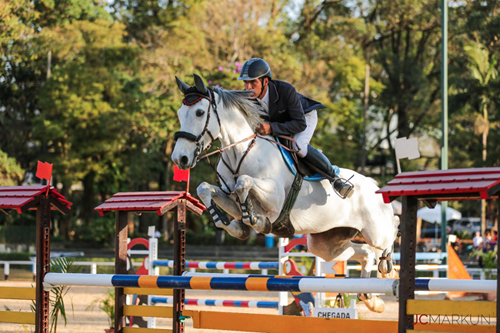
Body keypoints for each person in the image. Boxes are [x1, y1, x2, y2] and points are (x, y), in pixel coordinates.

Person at [238, 58, 354, 198]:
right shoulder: (248, 98)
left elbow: (299, 124)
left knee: (299, 146)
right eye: (246, 82)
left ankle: (335, 179)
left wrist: (272, 128)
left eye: (253, 82)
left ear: (265, 82)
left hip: (304, 117)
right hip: (282, 123)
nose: (248, 87)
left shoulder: (285, 90)